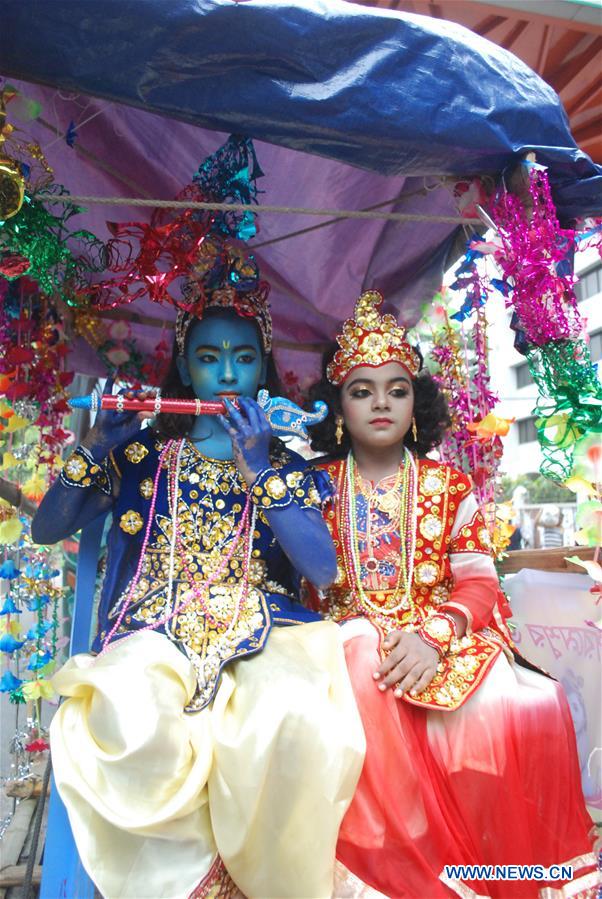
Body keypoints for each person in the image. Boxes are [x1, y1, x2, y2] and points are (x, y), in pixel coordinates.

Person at [32, 272, 364, 899]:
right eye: (209, 359)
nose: (228, 375)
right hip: (152, 625)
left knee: (290, 714)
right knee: (130, 709)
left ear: (263, 367)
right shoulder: (146, 450)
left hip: (264, 626)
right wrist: (96, 447)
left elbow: (323, 570)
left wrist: (261, 468)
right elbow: (50, 527)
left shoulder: (283, 461)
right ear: (186, 368)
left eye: (243, 358)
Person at [305, 289, 599, 899]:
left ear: (418, 402)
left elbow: (480, 580)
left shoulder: (448, 483)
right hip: (339, 645)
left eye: (397, 388)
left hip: (441, 638)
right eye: (362, 390)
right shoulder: (309, 485)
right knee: (359, 668)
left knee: (529, 706)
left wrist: (436, 637)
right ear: (338, 406)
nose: (381, 402)